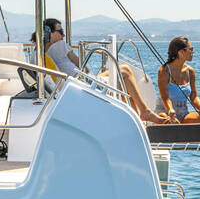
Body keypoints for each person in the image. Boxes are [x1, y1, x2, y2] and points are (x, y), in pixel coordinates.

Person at [33, 18, 167, 123]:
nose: (63, 35)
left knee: (122, 75)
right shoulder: (60, 45)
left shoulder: (40, 53)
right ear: (49, 33)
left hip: (75, 83)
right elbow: (82, 65)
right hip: (83, 85)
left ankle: (137, 116)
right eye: (60, 31)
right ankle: (143, 113)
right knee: (125, 73)